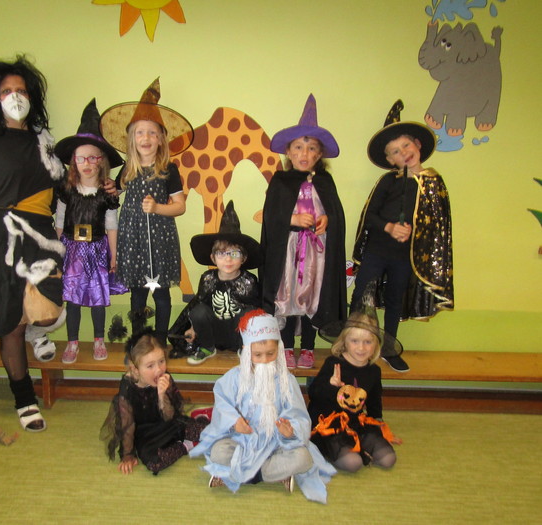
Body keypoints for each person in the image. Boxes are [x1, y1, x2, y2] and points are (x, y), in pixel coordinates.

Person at [0, 55, 64, 432]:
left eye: (20, 90)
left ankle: (37, 333)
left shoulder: (45, 142)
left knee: (49, 310)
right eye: (6, 91)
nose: (14, 96)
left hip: (38, 236)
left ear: (31, 95)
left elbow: (60, 191)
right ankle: (24, 400)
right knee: (10, 326)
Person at [190, 310, 336, 503]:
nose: (265, 360)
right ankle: (270, 474)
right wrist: (234, 423)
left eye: (270, 354)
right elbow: (222, 405)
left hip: (276, 445)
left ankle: (241, 474)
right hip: (242, 443)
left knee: (304, 458)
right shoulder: (233, 378)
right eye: (258, 355)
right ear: (246, 350)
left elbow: (299, 415)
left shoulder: (286, 381)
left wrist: (290, 431)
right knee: (219, 451)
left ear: (279, 350)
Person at [351, 100, 454, 372]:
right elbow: (369, 216)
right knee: (362, 294)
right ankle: (352, 345)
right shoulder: (388, 181)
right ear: (390, 160)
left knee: (396, 299)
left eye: (406, 145)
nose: (404, 153)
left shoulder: (434, 182)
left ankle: (389, 347)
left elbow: (438, 225)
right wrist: (389, 227)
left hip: (406, 256)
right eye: (395, 151)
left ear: (418, 145)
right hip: (377, 250)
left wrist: (415, 233)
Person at [99, 78, 194, 344]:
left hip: (159, 241)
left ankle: (160, 340)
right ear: (132, 138)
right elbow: (117, 190)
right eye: (140, 132)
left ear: (161, 139)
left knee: (161, 294)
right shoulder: (128, 168)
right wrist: (110, 188)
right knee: (138, 293)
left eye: (152, 133)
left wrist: (157, 207)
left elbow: (180, 206)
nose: (146, 138)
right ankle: (140, 340)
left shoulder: (168, 169)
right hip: (133, 242)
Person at [261, 94, 347, 370]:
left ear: (319, 155)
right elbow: (271, 217)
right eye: (298, 147)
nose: (304, 154)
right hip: (288, 253)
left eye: (311, 149)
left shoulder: (326, 181)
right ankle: (287, 347)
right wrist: (293, 219)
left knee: (313, 295)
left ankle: (308, 347)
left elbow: (336, 214)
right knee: (286, 297)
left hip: (316, 254)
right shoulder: (280, 181)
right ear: (288, 152)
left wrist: (327, 219)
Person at [53, 99, 128, 363]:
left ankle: (98, 340)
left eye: (93, 157)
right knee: (72, 298)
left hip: (97, 250)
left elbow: (112, 225)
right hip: (71, 250)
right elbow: (59, 220)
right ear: (73, 161)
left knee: (98, 297)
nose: (87, 163)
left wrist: (114, 255)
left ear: (102, 161)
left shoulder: (107, 194)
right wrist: (57, 251)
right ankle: (72, 342)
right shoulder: (67, 190)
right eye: (81, 158)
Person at [308, 298, 403, 473]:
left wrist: (380, 428)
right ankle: (327, 450)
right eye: (355, 341)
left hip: (355, 423)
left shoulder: (373, 371)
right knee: (353, 464)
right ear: (344, 341)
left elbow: (374, 402)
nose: (361, 348)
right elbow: (314, 394)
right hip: (328, 426)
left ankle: (360, 446)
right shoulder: (333, 363)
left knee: (388, 459)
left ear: (376, 345)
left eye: (368, 342)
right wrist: (331, 385)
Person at [100, 328, 209, 475]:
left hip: (169, 423)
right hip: (145, 434)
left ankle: (200, 421)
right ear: (135, 369)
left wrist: (162, 396)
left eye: (161, 361)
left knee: (208, 432)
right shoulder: (128, 388)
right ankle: (186, 445)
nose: (158, 370)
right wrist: (127, 454)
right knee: (155, 463)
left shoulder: (164, 377)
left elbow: (170, 417)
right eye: (150, 366)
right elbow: (127, 424)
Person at [167, 201, 261, 364]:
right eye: (222, 253)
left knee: (251, 313)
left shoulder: (249, 280)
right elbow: (198, 304)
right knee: (197, 311)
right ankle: (207, 348)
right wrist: (192, 328)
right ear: (213, 258)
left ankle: (244, 347)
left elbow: (258, 309)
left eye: (234, 254)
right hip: (213, 333)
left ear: (244, 258)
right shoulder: (208, 278)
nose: (228, 259)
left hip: (238, 334)